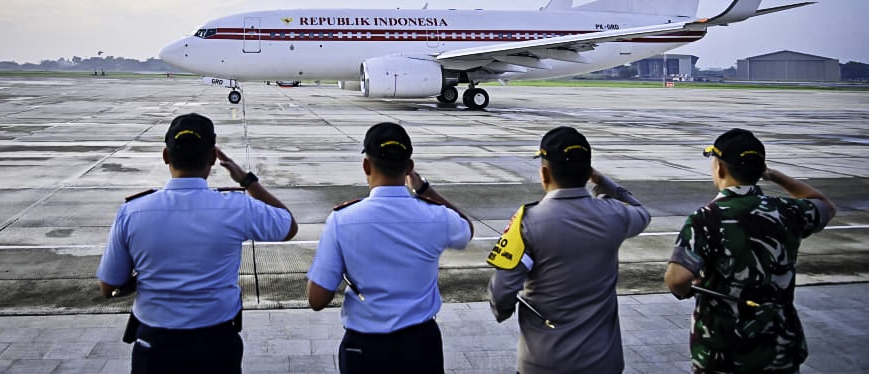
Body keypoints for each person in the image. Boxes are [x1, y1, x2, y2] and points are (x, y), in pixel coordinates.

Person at [97, 113, 298, 374]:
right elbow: (288, 226)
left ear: (166, 156)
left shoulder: (133, 212)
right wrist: (246, 180)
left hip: (154, 346)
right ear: (214, 158)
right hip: (215, 345)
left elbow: (107, 286)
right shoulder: (236, 207)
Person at [306, 121, 474, 374]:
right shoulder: (436, 217)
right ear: (409, 168)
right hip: (420, 347)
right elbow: (466, 229)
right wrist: (426, 191)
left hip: (365, 350)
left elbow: (317, 299)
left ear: (366, 165)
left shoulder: (342, 220)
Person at [665, 128, 837, 373]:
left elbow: (676, 280)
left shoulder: (706, 219)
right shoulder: (788, 211)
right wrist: (774, 176)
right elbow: (824, 206)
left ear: (720, 168)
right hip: (780, 349)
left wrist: (691, 288)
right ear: (759, 170)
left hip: (723, 352)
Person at [487, 126, 651, 374]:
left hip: (544, 361)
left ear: (544, 173)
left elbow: (501, 296)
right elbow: (642, 212)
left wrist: (504, 311)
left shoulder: (527, 224)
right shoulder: (614, 215)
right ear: (588, 173)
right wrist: (604, 182)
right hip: (603, 362)